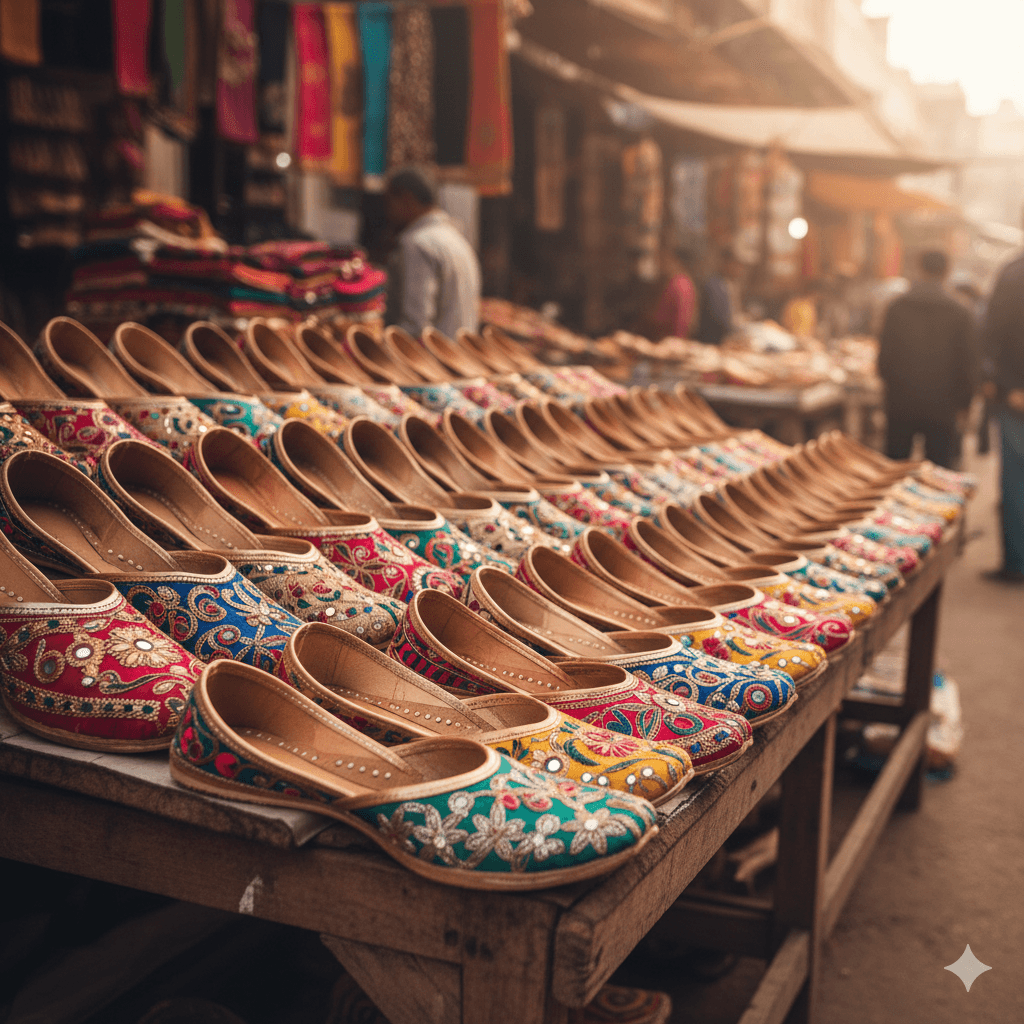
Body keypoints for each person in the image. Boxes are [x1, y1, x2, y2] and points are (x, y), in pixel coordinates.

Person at [877, 250, 975, 470]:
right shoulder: (960, 311)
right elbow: (968, 362)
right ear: (947, 271)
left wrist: (891, 390)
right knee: (938, 474)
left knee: (894, 472)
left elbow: (884, 359)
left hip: (900, 403)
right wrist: (965, 404)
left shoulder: (897, 307)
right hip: (944, 406)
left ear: (919, 269)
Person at [384, 167, 481, 338]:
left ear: (406, 199)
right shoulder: (457, 240)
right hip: (461, 358)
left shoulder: (417, 243)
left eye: (390, 202)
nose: (388, 211)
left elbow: (415, 322)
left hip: (431, 360)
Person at [981, 245, 1024, 582]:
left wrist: (1007, 384)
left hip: (1017, 396)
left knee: (1016, 480)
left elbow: (993, 334)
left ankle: (1017, 562)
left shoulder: (1014, 273)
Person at [652, 249, 699, 338]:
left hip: (671, 339)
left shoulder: (680, 283)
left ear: (676, 261)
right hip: (667, 337)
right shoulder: (680, 281)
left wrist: (677, 340)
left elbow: (682, 319)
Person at [696, 248, 735, 346]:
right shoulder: (714, 285)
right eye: (733, 264)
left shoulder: (726, 284)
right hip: (710, 341)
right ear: (724, 263)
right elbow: (717, 318)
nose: (737, 269)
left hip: (719, 341)